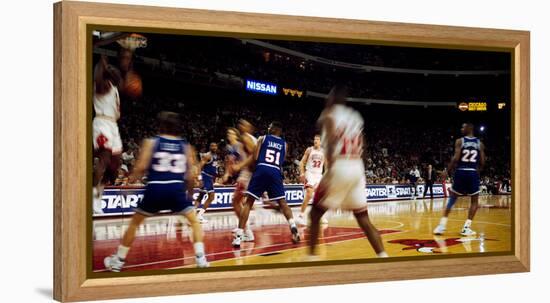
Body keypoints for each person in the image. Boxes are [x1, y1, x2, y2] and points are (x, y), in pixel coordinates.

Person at [104, 112, 209, 271]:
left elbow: (140, 167)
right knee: (194, 222)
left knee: (135, 224)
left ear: (160, 126)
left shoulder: (151, 142)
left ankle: (118, 261)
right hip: (176, 189)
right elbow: (190, 175)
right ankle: (201, 259)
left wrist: (129, 181)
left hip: (155, 188)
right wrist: (188, 194)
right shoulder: (186, 146)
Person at [309, 85, 388, 258]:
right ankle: (383, 257)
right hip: (357, 167)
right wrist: (359, 171)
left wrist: (331, 174)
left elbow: (329, 144)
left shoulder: (328, 114)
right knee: (363, 219)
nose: (326, 98)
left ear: (333, 98)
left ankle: (311, 260)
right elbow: (364, 147)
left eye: (329, 95)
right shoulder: (355, 116)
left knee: (314, 215)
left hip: (340, 166)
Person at [232, 121, 300, 247]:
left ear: (274, 129)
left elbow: (256, 157)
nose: (268, 128)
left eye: (269, 127)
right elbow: (282, 160)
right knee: (283, 203)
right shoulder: (284, 144)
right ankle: (294, 228)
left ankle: (238, 237)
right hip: (275, 171)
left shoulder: (262, 138)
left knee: (248, 203)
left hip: (262, 169)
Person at [433, 122, 485, 236]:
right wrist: (478, 170)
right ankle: (466, 227)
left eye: (463, 127)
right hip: (472, 172)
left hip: (460, 171)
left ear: (469, 128)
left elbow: (456, 158)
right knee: (474, 201)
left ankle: (441, 226)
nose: (461, 129)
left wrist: (447, 171)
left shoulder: (460, 141)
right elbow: (483, 161)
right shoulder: (479, 143)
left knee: (452, 199)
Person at [92, 55, 123, 214]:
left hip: (113, 125)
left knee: (115, 164)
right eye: (112, 71)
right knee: (104, 159)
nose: (115, 72)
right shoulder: (101, 84)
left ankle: (98, 198)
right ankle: (91, 194)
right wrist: (101, 63)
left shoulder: (114, 88)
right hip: (102, 123)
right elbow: (98, 76)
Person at [223, 127, 255, 242]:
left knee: (237, 201)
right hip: (242, 174)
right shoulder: (229, 148)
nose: (229, 135)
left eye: (232, 133)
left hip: (246, 174)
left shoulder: (240, 145)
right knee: (238, 202)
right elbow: (229, 162)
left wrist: (238, 166)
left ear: (236, 135)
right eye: (228, 133)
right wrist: (227, 173)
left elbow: (251, 157)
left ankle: (246, 230)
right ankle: (243, 228)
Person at [297, 135, 327, 225]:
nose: (315, 141)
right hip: (310, 173)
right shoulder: (309, 150)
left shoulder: (324, 152)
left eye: (318, 139)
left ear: (321, 142)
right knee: (309, 194)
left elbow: (327, 166)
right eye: (314, 139)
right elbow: (302, 162)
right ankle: (301, 216)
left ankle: (320, 216)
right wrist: (302, 173)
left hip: (319, 175)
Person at [193, 142, 219, 223]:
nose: (214, 147)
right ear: (209, 147)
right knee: (210, 197)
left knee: (203, 197)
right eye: (212, 146)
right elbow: (199, 166)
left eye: (215, 146)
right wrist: (200, 179)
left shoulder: (216, 156)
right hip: (205, 177)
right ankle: (198, 216)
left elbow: (213, 168)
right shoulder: (208, 155)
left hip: (209, 178)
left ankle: (194, 215)